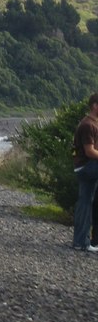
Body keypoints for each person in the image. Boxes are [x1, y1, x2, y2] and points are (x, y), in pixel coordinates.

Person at [71, 92, 98, 252]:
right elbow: (90, 151)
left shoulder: (94, 123)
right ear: (95, 106)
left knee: (85, 203)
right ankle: (83, 241)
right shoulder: (88, 125)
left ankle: (81, 242)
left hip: (87, 166)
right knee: (85, 202)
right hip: (86, 166)